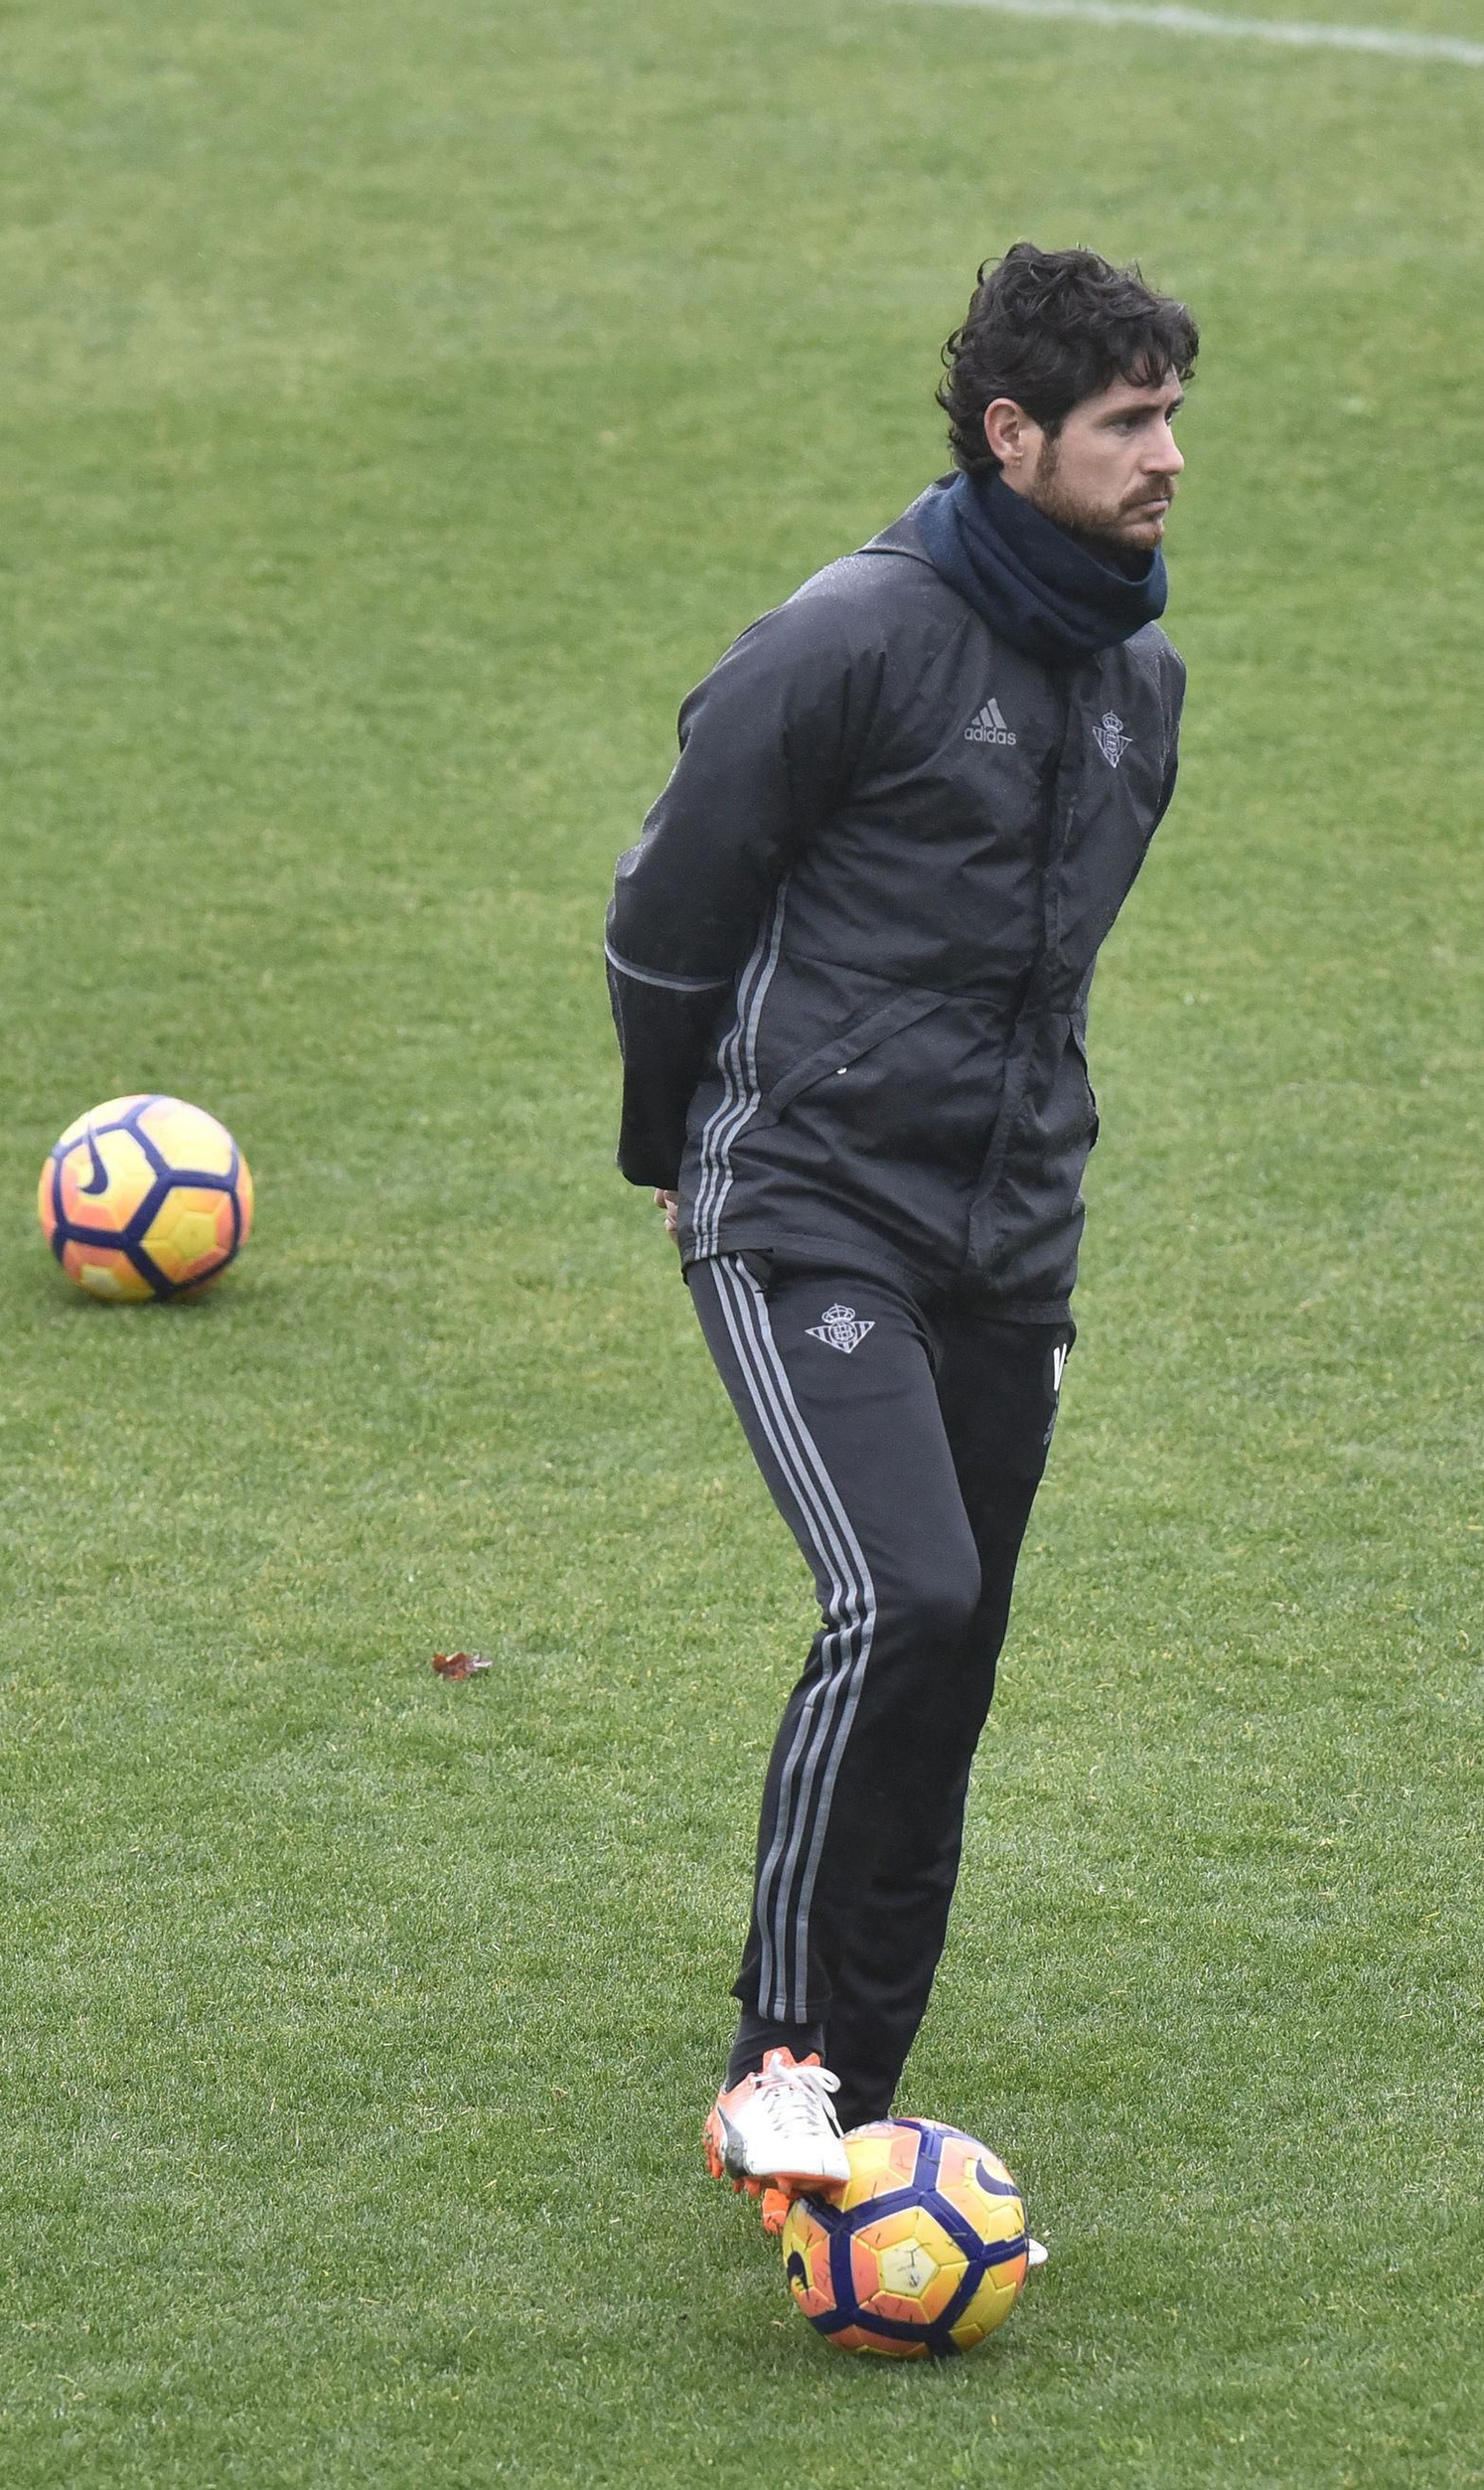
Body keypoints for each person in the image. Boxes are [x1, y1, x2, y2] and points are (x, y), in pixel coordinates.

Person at [606, 243, 1199, 2226]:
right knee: (902, 1597)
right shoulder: (844, 640)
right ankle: (773, 2054)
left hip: (1005, 1235)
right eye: (1123, 421)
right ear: (1008, 434)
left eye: (1169, 414)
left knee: (953, 1659)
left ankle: (855, 2104)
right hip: (799, 1204)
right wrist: (666, 1143)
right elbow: (667, 904)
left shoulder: (1138, 680)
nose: (1165, 456)